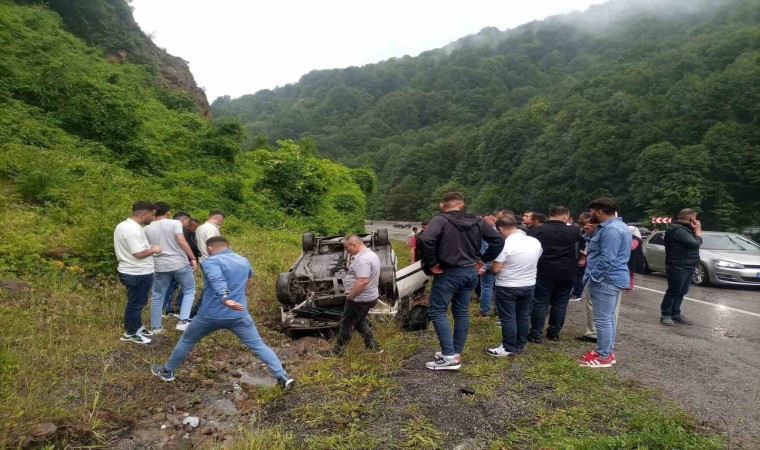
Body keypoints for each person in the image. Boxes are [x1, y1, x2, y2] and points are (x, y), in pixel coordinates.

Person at [151, 236, 295, 389]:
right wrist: (236, 296)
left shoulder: (210, 262)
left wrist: (225, 298)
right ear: (227, 246)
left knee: (187, 341)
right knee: (259, 345)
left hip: (210, 315)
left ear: (210, 248)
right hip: (239, 314)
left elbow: (216, 279)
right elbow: (248, 278)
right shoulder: (243, 260)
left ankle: (167, 371)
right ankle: (282, 376)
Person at [419, 192, 505, 370]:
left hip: (449, 272)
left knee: (437, 311)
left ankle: (449, 356)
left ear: (442, 205)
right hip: (470, 271)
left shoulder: (440, 219)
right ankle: (455, 352)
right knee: (461, 312)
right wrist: (483, 260)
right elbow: (498, 240)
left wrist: (432, 264)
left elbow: (426, 239)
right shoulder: (477, 221)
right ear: (462, 205)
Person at [578, 198, 631, 368]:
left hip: (605, 279)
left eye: (592, 211)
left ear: (599, 211)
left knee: (602, 319)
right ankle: (607, 351)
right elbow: (599, 248)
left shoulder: (611, 230)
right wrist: (590, 234)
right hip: (612, 277)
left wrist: (595, 277)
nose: (590, 215)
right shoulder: (617, 226)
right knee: (608, 318)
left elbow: (607, 258)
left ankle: (603, 357)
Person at [487, 218, 543, 356]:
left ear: (500, 229)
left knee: (508, 317)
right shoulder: (534, 242)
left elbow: (496, 268)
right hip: (528, 283)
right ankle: (520, 344)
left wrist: (489, 268)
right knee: (523, 315)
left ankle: (508, 347)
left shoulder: (505, 245)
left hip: (507, 285)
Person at [318, 235, 381, 357]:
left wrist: (351, 296)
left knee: (346, 325)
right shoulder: (371, 254)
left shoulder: (363, 259)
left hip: (359, 299)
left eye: (347, 247)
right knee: (360, 322)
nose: (346, 250)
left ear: (354, 245)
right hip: (370, 296)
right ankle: (373, 347)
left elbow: (362, 281)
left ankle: (336, 352)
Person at [528, 206, 582, 342]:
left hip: (544, 270)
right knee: (560, 303)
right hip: (567, 271)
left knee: (540, 303)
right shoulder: (573, 230)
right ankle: (554, 332)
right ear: (565, 216)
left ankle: (535, 333)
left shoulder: (537, 230)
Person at [143, 202, 198, 332]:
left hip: (159, 265)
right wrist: (192, 257)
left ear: (154, 212)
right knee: (189, 290)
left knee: (157, 296)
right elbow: (181, 241)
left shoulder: (146, 228)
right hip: (179, 263)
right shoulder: (175, 223)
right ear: (168, 212)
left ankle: (156, 327)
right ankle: (183, 321)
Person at [114, 201, 161, 344]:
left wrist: (149, 246)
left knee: (138, 301)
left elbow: (135, 247)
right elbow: (138, 253)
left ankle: (138, 326)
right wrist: (154, 249)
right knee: (136, 303)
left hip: (132, 270)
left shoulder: (125, 226)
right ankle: (130, 333)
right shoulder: (132, 229)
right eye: (152, 215)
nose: (153, 218)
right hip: (137, 272)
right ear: (144, 214)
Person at [660, 209, 702, 326]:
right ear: (691, 218)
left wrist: (695, 230)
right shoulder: (678, 230)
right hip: (677, 265)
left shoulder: (687, 229)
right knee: (674, 290)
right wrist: (698, 230)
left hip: (688, 264)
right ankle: (666, 314)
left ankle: (676, 313)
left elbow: (695, 243)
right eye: (695, 218)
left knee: (682, 291)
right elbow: (695, 244)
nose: (697, 220)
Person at [162, 213, 201, 316]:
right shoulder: (182, 231)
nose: (194, 228)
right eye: (189, 223)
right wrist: (196, 254)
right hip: (181, 262)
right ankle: (181, 311)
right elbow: (188, 245)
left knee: (171, 285)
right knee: (186, 287)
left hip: (169, 262)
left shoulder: (166, 229)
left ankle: (169, 307)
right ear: (184, 221)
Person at [474, 212, 498, 318]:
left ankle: (485, 311)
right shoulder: (499, 231)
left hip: (488, 264)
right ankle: (497, 309)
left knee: (486, 287)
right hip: (497, 264)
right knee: (496, 288)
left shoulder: (489, 233)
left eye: (485, 220)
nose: (483, 222)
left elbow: (490, 251)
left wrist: (484, 266)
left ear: (493, 220)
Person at [570, 212, 592, 300]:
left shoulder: (589, 230)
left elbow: (587, 244)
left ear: (587, 219)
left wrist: (583, 258)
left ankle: (577, 294)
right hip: (579, 255)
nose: (579, 220)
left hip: (583, 256)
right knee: (577, 274)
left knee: (580, 276)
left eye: (581, 218)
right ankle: (575, 292)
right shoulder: (584, 229)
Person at [627, 226, 644, 290]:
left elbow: (632, 247)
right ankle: (629, 285)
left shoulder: (635, 238)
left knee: (629, 271)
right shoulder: (635, 238)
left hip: (633, 258)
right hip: (633, 257)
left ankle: (629, 285)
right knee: (630, 272)